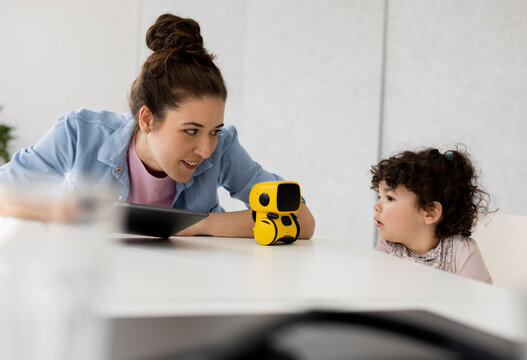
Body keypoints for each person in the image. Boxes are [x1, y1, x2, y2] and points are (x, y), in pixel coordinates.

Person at [0, 13, 315, 238]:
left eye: (214, 131)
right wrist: (73, 212)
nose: (206, 149)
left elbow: (302, 219)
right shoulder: (79, 133)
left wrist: (199, 224)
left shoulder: (224, 149)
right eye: (191, 131)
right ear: (147, 120)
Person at [370, 147, 493, 283]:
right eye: (379, 196)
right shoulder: (388, 247)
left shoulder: (462, 251)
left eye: (389, 198)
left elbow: (482, 300)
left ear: (430, 212)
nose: (376, 206)